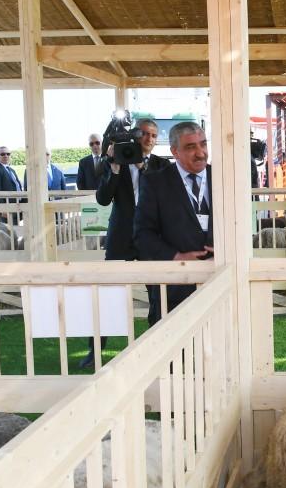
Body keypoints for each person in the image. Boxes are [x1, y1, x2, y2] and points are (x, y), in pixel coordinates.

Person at [77, 119, 168, 369]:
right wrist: (115, 166)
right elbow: (103, 199)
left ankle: (156, 345)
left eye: (153, 135)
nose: (148, 139)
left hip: (152, 238)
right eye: (144, 134)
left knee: (158, 294)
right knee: (108, 293)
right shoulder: (115, 160)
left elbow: (163, 195)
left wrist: (142, 166)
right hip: (121, 236)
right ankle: (95, 350)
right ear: (135, 135)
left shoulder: (161, 164)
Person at [134, 121, 214, 315]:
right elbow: (142, 234)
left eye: (203, 144)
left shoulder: (225, 177)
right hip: (174, 287)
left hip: (219, 282)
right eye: (190, 147)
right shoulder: (154, 182)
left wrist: (226, 249)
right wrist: (177, 257)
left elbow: (243, 227)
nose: (200, 152)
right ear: (175, 151)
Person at [0, 145, 23, 224]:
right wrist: (2, 208)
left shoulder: (11, 170)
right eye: (2, 154)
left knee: (15, 231)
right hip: (5, 208)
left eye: (8, 154)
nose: (6, 156)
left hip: (17, 205)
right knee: (8, 233)